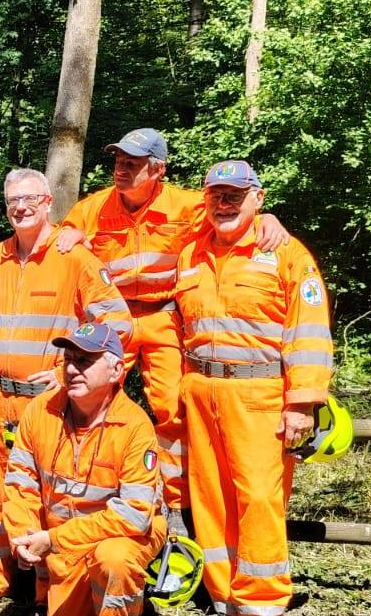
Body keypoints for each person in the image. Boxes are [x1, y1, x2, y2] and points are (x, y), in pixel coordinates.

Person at [57, 128, 287, 524]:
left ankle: (177, 504)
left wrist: (267, 217)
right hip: (111, 318)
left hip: (163, 315)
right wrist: (69, 234)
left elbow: (230, 212)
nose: (121, 169)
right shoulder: (93, 208)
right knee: (82, 397)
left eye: (132, 164)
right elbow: (63, 237)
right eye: (118, 161)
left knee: (173, 408)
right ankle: (83, 488)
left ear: (158, 170)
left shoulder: (187, 205)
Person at [175, 160, 334, 616]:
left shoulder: (285, 254)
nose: (223, 204)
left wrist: (302, 403)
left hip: (260, 394)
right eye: (215, 195)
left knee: (260, 498)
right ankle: (225, 599)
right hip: (201, 391)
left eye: (234, 195)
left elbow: (308, 331)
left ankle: (263, 607)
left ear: (257, 199)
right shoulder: (191, 252)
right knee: (210, 496)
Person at [0, 168, 130, 610]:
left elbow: (118, 324)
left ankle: (44, 592)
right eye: (12, 201)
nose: (20, 208)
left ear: (48, 203)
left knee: (47, 497)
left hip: (47, 403)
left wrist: (65, 370)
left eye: (29, 200)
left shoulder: (73, 256)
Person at [6, 322, 165, 616]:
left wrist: (53, 539)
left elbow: (133, 516)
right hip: (66, 541)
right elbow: (20, 485)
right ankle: (103, 605)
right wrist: (23, 536)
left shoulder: (135, 426)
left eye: (86, 360)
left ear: (116, 370)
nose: (72, 368)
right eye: (68, 359)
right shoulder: (39, 412)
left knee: (115, 558)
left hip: (123, 536)